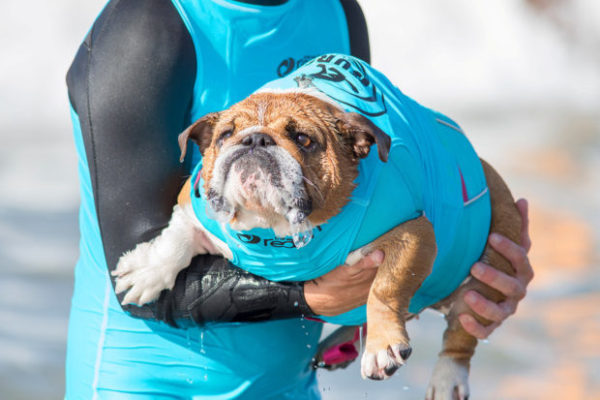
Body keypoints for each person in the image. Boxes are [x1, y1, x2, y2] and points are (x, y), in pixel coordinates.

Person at [65, 0, 534, 398]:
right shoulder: (147, 29)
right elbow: (137, 281)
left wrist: (464, 275)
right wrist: (313, 298)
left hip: (292, 382)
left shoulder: (336, 10)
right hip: (148, 382)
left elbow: (360, 202)